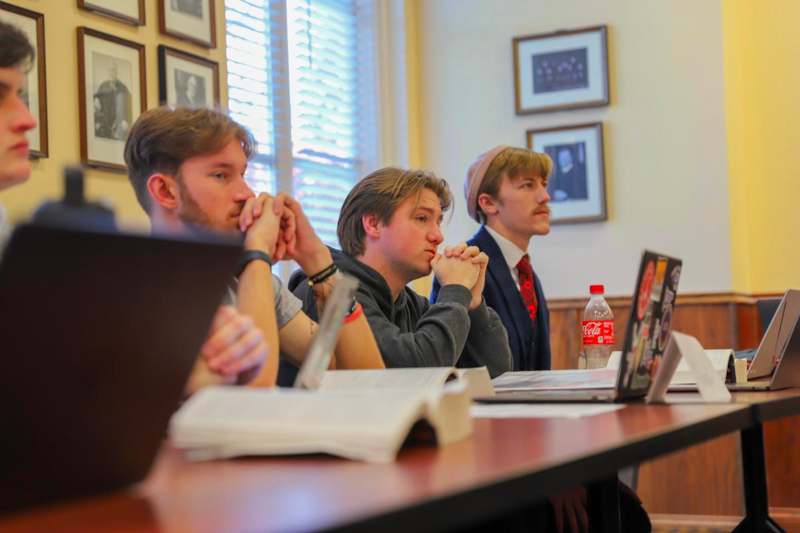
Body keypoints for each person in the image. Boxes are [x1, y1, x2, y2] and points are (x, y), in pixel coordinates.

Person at [124, 107, 383, 391]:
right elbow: (252, 392)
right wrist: (257, 251)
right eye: (221, 175)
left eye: (243, 174)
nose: (246, 193)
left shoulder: (245, 279)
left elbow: (362, 374)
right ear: (165, 191)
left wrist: (320, 264)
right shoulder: (131, 291)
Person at [291, 166, 512, 379]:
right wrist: (455, 291)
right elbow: (413, 377)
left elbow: (496, 372)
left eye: (438, 222)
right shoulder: (328, 291)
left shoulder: (409, 303)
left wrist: (473, 304)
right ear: (373, 223)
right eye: (422, 219)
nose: (438, 236)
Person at [433, 145, 552, 372]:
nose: (545, 196)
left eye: (544, 185)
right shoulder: (463, 266)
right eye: (528, 185)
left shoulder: (524, 270)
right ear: (488, 203)